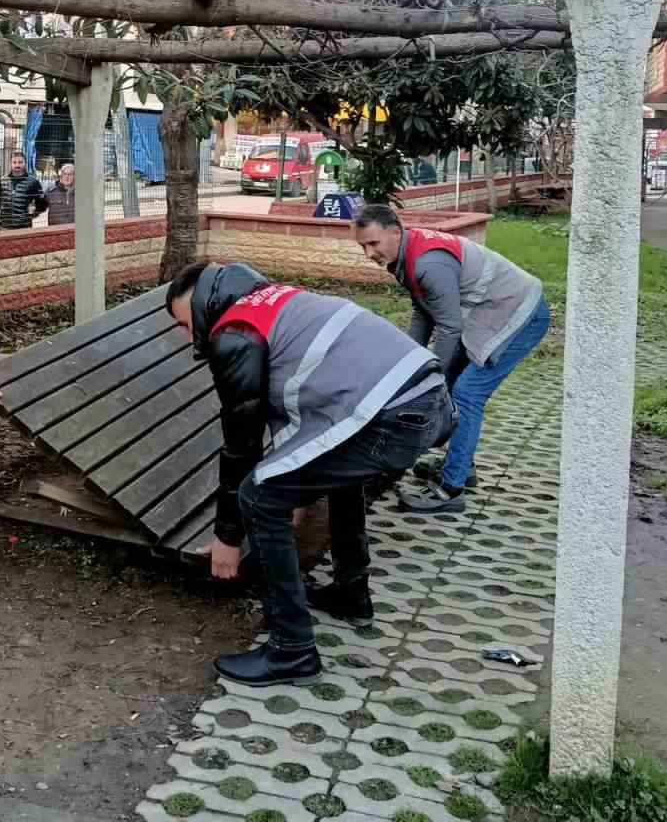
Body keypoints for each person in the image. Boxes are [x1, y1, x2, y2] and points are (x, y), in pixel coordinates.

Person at [166, 261, 455, 686]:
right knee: (336, 475)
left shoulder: (237, 331)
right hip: (425, 400)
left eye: (187, 323)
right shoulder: (281, 302)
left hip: (392, 415)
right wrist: (295, 495)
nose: (191, 337)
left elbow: (242, 445)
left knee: (259, 495)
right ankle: (350, 593)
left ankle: (291, 651)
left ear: (206, 301)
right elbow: (305, 416)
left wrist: (229, 537)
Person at [350, 203, 550, 513]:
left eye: (373, 243)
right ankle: (462, 466)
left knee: (466, 393)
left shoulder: (428, 263)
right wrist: (408, 366)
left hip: (519, 314)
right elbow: (423, 311)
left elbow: (448, 328)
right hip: (492, 312)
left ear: (395, 231)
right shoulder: (403, 257)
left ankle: (451, 489)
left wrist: (430, 379)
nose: (368, 253)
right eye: (362, 245)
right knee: (454, 385)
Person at [0, 152, 46, 231]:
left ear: (25, 163)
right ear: (11, 163)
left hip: (24, 227)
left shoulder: (33, 181)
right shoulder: (4, 180)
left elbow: (43, 202)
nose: (17, 165)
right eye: (14, 162)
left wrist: (34, 212)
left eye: (20, 162)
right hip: (4, 226)